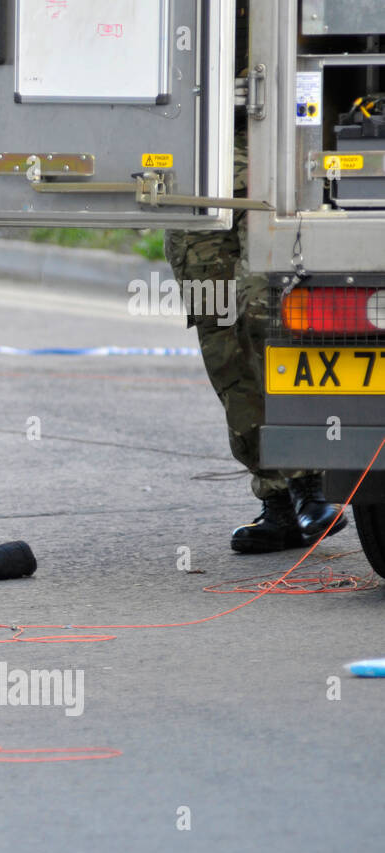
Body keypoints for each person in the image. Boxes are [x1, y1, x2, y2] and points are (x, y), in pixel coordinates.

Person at [164, 5, 344, 554]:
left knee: (268, 316)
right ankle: (276, 499)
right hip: (190, 163)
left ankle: (311, 482)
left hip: (273, 154)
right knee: (221, 335)